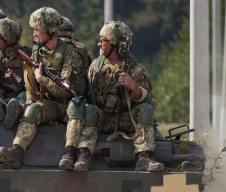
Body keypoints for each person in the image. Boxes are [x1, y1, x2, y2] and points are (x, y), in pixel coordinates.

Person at [68, 20, 164, 173]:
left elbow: (151, 104)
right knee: (89, 110)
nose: (99, 44)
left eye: (103, 41)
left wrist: (133, 87)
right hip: (103, 118)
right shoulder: (96, 66)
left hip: (126, 119)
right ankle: (84, 155)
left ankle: (145, 157)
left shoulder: (135, 69)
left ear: (117, 45)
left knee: (145, 109)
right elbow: (84, 89)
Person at [0, 7, 85, 169]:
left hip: (70, 105)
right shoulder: (38, 51)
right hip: (52, 104)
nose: (34, 33)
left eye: (37, 30)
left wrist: (41, 79)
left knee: (74, 107)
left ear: (50, 31)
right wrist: (30, 102)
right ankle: (16, 152)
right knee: (32, 110)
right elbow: (30, 83)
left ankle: (69, 153)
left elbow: (64, 91)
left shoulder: (70, 53)